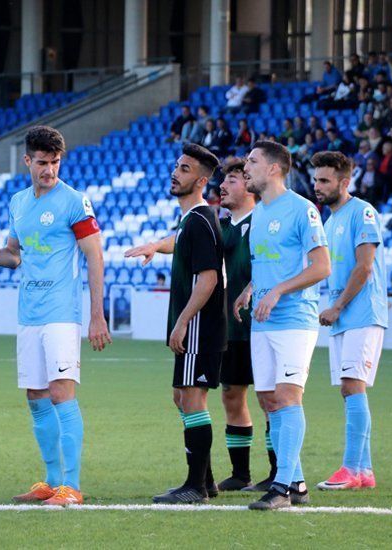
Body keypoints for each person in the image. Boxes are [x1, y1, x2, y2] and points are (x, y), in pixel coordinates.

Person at [0, 126, 110, 506]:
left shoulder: (74, 202)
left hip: (62, 313)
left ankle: (73, 486)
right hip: (28, 313)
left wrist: (97, 315)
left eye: (55, 162)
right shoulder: (18, 202)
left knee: (62, 392)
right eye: (42, 163)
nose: (49, 170)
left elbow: (95, 256)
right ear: (27, 161)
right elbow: (14, 256)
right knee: (36, 396)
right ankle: (50, 482)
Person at [126, 160, 278, 494]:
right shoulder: (220, 222)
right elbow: (182, 238)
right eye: (223, 181)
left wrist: (253, 289)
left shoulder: (264, 220)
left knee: (269, 398)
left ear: (250, 185)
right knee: (229, 395)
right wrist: (155, 245)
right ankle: (238, 474)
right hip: (227, 325)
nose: (224, 186)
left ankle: (279, 474)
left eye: (234, 180)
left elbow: (275, 262)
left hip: (259, 323)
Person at [235, 140, 331, 510]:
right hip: (263, 319)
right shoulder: (259, 213)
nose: (247, 166)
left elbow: (321, 267)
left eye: (253, 161)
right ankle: (298, 483)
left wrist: (277, 291)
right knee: (268, 399)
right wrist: (250, 290)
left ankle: (281, 489)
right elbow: (267, 264)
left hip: (295, 320)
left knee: (288, 397)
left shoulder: (302, 210)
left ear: (274, 169)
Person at [146, 144, 225, 504]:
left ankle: (195, 487)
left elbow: (208, 279)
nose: (176, 173)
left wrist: (182, 323)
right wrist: (154, 246)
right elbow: (177, 245)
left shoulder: (200, 219)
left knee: (193, 400)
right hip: (194, 326)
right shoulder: (189, 221)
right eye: (177, 166)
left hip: (199, 327)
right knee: (182, 397)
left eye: (186, 169)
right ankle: (205, 481)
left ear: (202, 180)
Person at [311, 152, 387, 491]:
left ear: (345, 182)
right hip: (343, 315)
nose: (318, 186)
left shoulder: (363, 212)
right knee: (348, 388)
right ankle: (364, 471)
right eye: (316, 180)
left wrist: (338, 306)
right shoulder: (329, 222)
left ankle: (350, 469)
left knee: (352, 385)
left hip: (361, 312)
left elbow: (364, 267)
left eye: (325, 181)